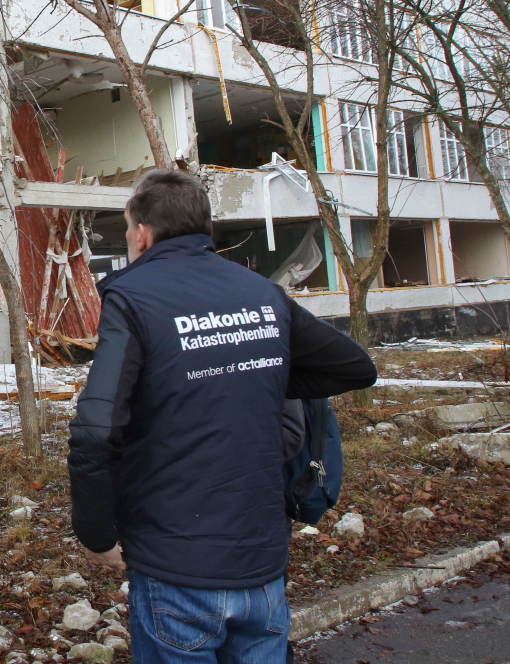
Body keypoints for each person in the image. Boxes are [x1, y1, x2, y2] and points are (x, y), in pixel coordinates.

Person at [68, 169, 377, 664]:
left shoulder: (134, 297)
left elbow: (94, 431)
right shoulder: (260, 291)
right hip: (262, 566)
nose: (129, 239)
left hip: (176, 568)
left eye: (127, 229)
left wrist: (96, 533)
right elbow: (355, 365)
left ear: (142, 232)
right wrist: (244, 375)